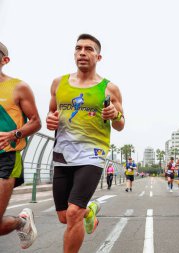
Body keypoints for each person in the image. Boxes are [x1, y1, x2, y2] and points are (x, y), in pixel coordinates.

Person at [46, 34, 125, 253]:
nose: (82, 52)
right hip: (62, 154)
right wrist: (50, 120)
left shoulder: (110, 88)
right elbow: (52, 115)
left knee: (73, 213)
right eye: (78, 48)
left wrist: (115, 114)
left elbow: (121, 124)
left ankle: (82, 213)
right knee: (64, 217)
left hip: (92, 155)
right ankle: (89, 211)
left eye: (88, 49)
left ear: (98, 56)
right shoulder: (58, 83)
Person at [0, 41, 41, 249]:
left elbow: (36, 121)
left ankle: (22, 223)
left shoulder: (18, 87)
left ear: (5, 60)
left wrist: (15, 134)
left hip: (6, 157)